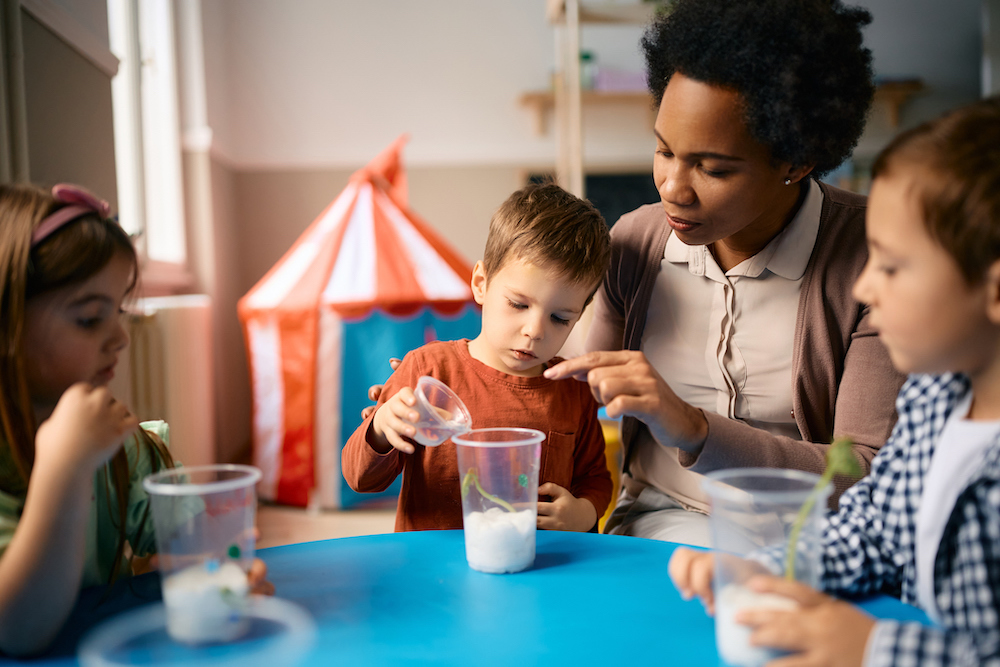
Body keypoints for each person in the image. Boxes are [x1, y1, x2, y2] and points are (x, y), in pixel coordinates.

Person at [542, 0, 905, 546]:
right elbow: (573, 383)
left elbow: (863, 471)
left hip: (805, 542)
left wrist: (694, 427)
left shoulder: (870, 257)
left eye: (712, 168)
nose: (672, 187)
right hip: (658, 525)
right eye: (664, 151)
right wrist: (453, 377)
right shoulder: (635, 244)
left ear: (796, 161)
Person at [670, 96, 1000, 666]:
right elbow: (873, 528)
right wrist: (772, 565)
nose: (865, 287)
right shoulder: (934, 396)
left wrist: (875, 649)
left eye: (892, 267)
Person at [0, 183, 270, 657]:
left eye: (120, 311)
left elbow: (196, 545)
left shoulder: (123, 446)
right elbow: (16, 631)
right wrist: (65, 469)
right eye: (89, 318)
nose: (120, 337)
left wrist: (225, 569)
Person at [343, 182, 613, 533]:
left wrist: (585, 512)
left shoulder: (572, 389)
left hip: (537, 569)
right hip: (434, 570)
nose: (535, 330)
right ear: (481, 283)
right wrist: (381, 429)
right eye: (518, 304)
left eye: (560, 318)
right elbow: (359, 478)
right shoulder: (427, 371)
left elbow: (595, 478)